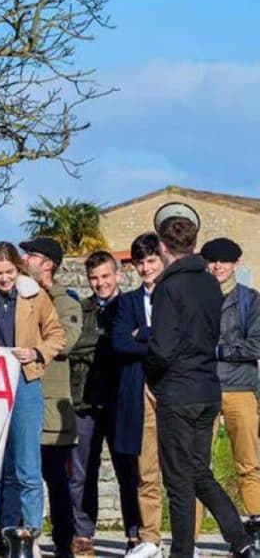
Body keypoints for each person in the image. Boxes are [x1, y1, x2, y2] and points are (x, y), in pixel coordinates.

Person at [145, 214, 252, 558]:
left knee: (178, 482)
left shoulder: (168, 286)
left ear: (162, 246)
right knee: (198, 472)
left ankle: (182, 553)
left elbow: (162, 347)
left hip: (178, 391)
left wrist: (150, 373)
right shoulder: (209, 283)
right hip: (208, 388)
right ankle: (241, 541)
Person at [0, 241, 65, 558]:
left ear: (18, 269)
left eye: (9, 272)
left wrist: (36, 352)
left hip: (25, 381)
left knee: (28, 466)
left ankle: (32, 539)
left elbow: (57, 335)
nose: (4, 279)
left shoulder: (36, 296)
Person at [68, 250, 141, 556]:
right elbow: (72, 345)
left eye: (105, 277)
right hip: (85, 401)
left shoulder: (132, 306)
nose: (100, 284)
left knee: (129, 472)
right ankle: (83, 535)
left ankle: (135, 534)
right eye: (94, 278)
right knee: (81, 473)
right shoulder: (80, 310)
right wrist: (118, 339)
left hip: (122, 401)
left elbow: (140, 345)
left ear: (118, 276)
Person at [21, 238, 82, 558]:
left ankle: (63, 544)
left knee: (57, 481)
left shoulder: (66, 302)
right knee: (18, 478)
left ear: (48, 264)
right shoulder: (18, 297)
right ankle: (16, 539)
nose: (24, 259)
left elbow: (67, 341)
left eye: (30, 255)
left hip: (52, 409)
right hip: (21, 402)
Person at [111, 233, 165, 558]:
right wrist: (153, 339)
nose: (146, 268)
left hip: (173, 391)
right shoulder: (128, 302)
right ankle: (151, 539)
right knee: (146, 472)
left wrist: (142, 333)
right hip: (140, 390)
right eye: (140, 262)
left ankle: (189, 541)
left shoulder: (176, 296)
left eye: (151, 261)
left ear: (162, 259)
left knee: (183, 470)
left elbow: (177, 340)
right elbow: (119, 342)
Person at [201, 238, 260, 516]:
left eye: (224, 261)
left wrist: (219, 349)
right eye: (212, 260)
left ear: (236, 264)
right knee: (198, 465)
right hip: (205, 387)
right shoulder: (198, 297)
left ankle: (255, 526)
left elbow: (257, 345)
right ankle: (190, 540)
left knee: (248, 463)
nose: (217, 266)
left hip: (241, 388)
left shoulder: (251, 300)